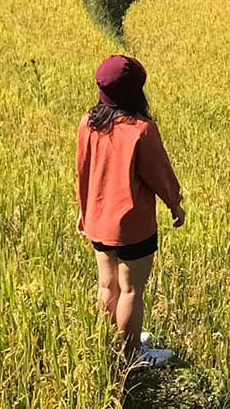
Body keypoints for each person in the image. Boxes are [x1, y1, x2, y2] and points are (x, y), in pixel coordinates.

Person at [76, 54, 186, 369]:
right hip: (132, 226)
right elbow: (160, 174)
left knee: (107, 286)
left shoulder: (89, 122)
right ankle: (131, 355)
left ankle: (111, 344)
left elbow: (81, 171)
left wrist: (84, 211)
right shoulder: (141, 129)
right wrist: (174, 203)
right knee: (131, 290)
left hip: (98, 219)